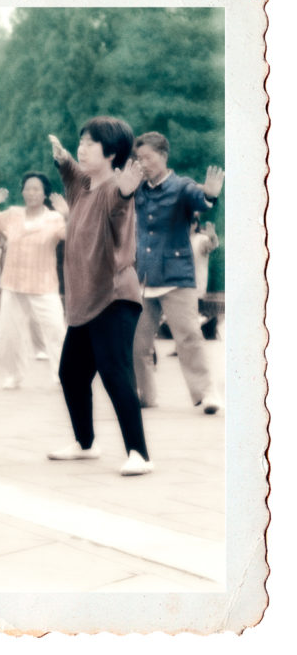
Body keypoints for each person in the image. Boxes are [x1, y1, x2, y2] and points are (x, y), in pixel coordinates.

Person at [46, 118, 152, 477]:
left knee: (114, 372)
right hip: (84, 301)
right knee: (71, 373)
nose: (82, 147)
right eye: (81, 141)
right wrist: (62, 158)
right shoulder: (83, 187)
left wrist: (125, 193)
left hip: (114, 296)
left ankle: (139, 453)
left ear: (111, 153)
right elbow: (72, 174)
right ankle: (86, 444)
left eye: (90, 143)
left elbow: (120, 213)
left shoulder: (113, 190)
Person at [131, 132, 225, 414]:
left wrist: (209, 194)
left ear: (163, 155)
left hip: (176, 276)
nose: (143, 163)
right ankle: (144, 394)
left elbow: (200, 199)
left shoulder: (181, 186)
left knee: (188, 337)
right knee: (138, 343)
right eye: (139, 158)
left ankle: (207, 393)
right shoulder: (137, 188)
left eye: (148, 157)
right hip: (145, 277)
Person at [0, 172, 68, 389]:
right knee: (9, 333)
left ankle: (63, 373)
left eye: (36, 189)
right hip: (13, 282)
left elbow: (72, 236)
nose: (31, 193)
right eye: (27, 188)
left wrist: (68, 215)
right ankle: (13, 375)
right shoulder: (13, 214)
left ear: (45, 193)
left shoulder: (54, 218)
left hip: (43, 283)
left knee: (56, 329)